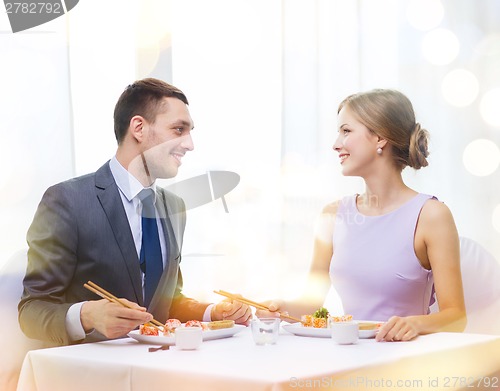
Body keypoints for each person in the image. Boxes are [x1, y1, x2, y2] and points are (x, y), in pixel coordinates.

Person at [19, 78, 251, 345]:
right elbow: (32, 310)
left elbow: (166, 303)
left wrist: (212, 312)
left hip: (159, 370)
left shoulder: (175, 207)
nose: (190, 145)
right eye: (178, 130)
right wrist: (87, 315)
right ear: (139, 128)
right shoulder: (68, 201)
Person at [259, 89, 467, 341]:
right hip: (346, 355)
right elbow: (311, 304)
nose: (336, 144)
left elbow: (456, 316)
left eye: (346, 131)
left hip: (404, 361)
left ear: (380, 138)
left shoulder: (431, 215)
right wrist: (282, 309)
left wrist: (415, 324)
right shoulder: (332, 216)